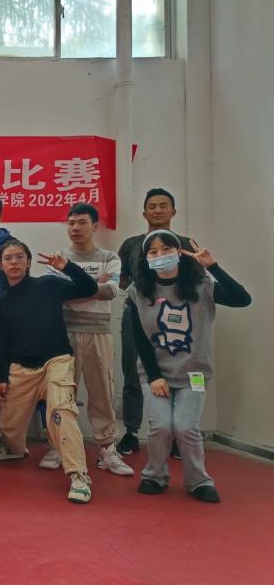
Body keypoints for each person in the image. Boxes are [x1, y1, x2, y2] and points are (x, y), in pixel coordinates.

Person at [127, 231, 250, 503]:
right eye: (153, 252)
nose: (160, 255)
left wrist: (213, 267)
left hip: (194, 373)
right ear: (145, 258)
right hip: (156, 374)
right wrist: (155, 376)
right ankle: (154, 475)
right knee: (161, 427)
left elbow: (242, 299)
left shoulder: (202, 285)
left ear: (179, 252)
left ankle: (198, 480)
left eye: (166, 249)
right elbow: (140, 338)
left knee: (185, 428)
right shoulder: (138, 291)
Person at [0, 239, 99, 504]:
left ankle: (79, 475)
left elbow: (89, 288)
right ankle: (15, 450)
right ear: (1, 265)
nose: (14, 262)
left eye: (19, 257)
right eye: (8, 258)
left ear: (28, 261)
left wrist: (67, 266)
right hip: (21, 367)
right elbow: (3, 344)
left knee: (61, 412)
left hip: (56, 361)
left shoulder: (48, 284)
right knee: (7, 421)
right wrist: (1, 377)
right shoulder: (0, 303)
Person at [41, 203, 133, 477]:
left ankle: (107, 449)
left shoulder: (109, 257)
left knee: (102, 393)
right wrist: (93, 285)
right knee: (60, 395)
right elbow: (56, 294)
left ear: (94, 226)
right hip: (64, 335)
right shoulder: (58, 258)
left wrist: (79, 287)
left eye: (82, 222)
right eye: (71, 223)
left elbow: (111, 292)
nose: (76, 228)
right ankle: (56, 446)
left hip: (98, 334)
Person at [117, 188, 196, 457]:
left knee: (177, 372)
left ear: (173, 211)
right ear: (144, 213)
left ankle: (176, 435)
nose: (158, 210)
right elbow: (122, 280)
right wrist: (144, 296)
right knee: (133, 370)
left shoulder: (186, 244)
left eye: (163, 205)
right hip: (137, 314)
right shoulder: (131, 245)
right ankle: (130, 432)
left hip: (178, 317)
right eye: (152, 206)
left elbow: (197, 281)